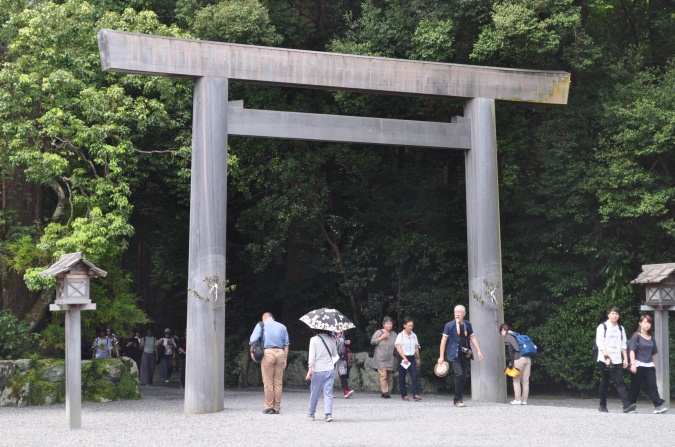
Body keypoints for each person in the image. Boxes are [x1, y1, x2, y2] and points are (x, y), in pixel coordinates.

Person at [437, 304, 483, 407]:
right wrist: (441, 356)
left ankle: (460, 398)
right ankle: (456, 399)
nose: (457, 314)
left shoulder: (468, 324)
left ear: (464, 314)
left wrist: (478, 351)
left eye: (459, 312)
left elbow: (473, 338)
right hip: (454, 354)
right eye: (455, 312)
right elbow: (443, 341)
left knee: (463, 376)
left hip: (465, 354)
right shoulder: (449, 325)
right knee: (459, 374)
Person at [595, 306, 635, 413]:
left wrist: (625, 359)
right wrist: (606, 357)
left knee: (620, 382)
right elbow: (600, 343)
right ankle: (602, 405)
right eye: (613, 313)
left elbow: (623, 345)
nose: (615, 315)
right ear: (608, 315)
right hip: (604, 359)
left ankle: (626, 405)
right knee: (605, 381)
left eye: (616, 313)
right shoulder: (602, 327)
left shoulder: (621, 328)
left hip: (617, 359)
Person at [249, 312, 290, 414]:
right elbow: (286, 344)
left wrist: (252, 352)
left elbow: (253, 340)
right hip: (280, 353)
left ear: (264, 318)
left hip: (268, 353)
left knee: (268, 382)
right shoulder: (282, 327)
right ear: (272, 317)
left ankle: (269, 407)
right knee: (278, 382)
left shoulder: (261, 325)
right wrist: (285, 358)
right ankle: (277, 407)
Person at [627, 315, 668, 414]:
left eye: (649, 322)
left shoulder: (652, 338)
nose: (647, 325)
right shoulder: (636, 336)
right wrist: (633, 364)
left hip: (649, 365)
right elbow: (632, 350)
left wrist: (654, 365)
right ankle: (630, 406)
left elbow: (653, 353)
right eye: (645, 322)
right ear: (640, 323)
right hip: (638, 364)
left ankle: (657, 406)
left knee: (653, 386)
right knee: (635, 386)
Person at [306, 329, 338, 422]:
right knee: (328, 393)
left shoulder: (313, 340)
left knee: (315, 392)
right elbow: (335, 354)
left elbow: (311, 356)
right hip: (329, 368)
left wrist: (310, 369)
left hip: (318, 370)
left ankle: (311, 414)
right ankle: (328, 414)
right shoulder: (332, 340)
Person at [500, 323, 531, 405]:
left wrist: (511, 362)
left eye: (501, 333)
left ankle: (517, 399)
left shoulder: (508, 336)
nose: (502, 335)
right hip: (527, 358)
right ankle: (524, 400)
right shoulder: (516, 335)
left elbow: (511, 350)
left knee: (516, 380)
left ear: (503, 330)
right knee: (525, 381)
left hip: (519, 359)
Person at [395, 317, 422, 401]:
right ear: (404, 326)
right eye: (409, 326)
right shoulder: (401, 335)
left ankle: (416, 394)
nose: (410, 327)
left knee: (414, 375)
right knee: (402, 376)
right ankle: (404, 395)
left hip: (411, 357)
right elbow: (398, 347)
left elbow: (416, 347)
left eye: (412, 326)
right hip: (402, 357)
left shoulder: (414, 335)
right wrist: (404, 357)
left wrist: (418, 358)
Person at [370, 316, 397, 398]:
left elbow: (398, 344)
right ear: (384, 325)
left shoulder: (394, 334)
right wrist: (381, 337)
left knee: (389, 375)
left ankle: (386, 391)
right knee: (383, 375)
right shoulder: (379, 332)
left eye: (391, 324)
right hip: (380, 358)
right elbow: (372, 341)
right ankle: (384, 391)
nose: (389, 325)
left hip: (391, 358)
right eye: (388, 324)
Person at [332, 330, 354, 398]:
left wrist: (347, 342)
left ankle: (346, 391)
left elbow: (345, 343)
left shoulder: (343, 332)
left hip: (342, 356)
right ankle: (329, 392)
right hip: (333, 355)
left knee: (343, 373)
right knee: (331, 374)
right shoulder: (330, 332)